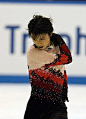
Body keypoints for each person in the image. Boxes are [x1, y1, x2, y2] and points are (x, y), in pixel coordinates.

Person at [24, 15, 72, 119]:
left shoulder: (56, 48)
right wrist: (61, 41)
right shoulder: (33, 52)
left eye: (42, 38)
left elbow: (61, 70)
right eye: (34, 38)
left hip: (57, 106)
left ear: (50, 34)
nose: (38, 42)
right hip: (37, 106)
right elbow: (67, 58)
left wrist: (64, 88)